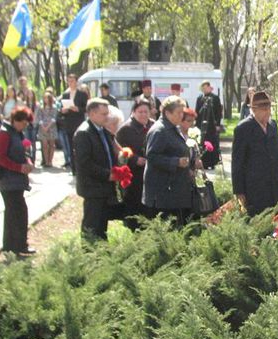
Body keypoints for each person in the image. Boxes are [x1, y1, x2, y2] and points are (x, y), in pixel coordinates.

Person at [232, 91, 278, 216]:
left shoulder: (273, 125)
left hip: (276, 186)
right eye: (264, 109)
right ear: (254, 110)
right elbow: (237, 163)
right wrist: (239, 192)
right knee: (261, 224)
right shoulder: (243, 129)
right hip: (256, 188)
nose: (268, 112)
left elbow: (277, 151)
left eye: (269, 108)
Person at [73, 98, 123, 240]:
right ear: (92, 114)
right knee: (92, 224)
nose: (107, 117)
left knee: (102, 224)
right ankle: (90, 253)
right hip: (93, 186)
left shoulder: (101, 130)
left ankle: (101, 252)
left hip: (104, 186)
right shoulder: (84, 132)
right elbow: (85, 163)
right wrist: (108, 175)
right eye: (103, 114)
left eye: (107, 113)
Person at [142, 96, 194, 226]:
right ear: (167, 113)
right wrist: (176, 162)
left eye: (183, 112)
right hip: (163, 193)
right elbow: (152, 156)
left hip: (173, 190)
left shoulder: (171, 128)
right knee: (166, 229)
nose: (181, 116)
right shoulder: (160, 130)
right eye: (178, 113)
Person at [0, 106, 35, 255]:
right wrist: (18, 167)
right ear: (16, 120)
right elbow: (0, 157)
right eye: (24, 123)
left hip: (16, 180)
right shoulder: (4, 134)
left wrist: (28, 162)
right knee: (18, 212)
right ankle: (18, 245)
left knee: (13, 212)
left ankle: (11, 245)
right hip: (7, 180)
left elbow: (24, 151)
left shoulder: (17, 133)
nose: (25, 126)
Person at [116, 97, 154, 230]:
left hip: (150, 173)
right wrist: (134, 159)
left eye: (146, 111)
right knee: (134, 204)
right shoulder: (125, 129)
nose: (143, 114)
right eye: (140, 112)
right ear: (134, 112)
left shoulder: (153, 126)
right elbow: (119, 151)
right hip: (134, 175)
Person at [59, 73, 89, 174]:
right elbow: (61, 109)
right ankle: (73, 169)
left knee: (79, 146)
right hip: (69, 123)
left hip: (78, 123)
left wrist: (78, 109)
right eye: (69, 81)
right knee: (71, 147)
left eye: (72, 81)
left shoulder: (82, 94)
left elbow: (86, 108)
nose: (70, 83)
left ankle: (81, 168)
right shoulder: (65, 94)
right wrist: (63, 111)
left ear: (76, 82)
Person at [195, 80, 223, 168]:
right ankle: (203, 162)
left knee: (212, 143)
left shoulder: (215, 98)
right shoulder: (200, 98)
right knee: (202, 143)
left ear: (209, 87)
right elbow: (197, 111)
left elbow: (218, 112)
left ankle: (212, 162)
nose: (204, 89)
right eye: (202, 88)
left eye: (205, 87)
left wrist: (218, 124)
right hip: (201, 125)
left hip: (211, 126)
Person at [17, 76, 38, 163]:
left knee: (33, 142)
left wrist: (32, 121)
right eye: (28, 94)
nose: (29, 95)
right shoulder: (24, 103)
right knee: (27, 142)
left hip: (33, 124)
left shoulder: (36, 104)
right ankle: (28, 158)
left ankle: (34, 159)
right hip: (26, 124)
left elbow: (36, 114)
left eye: (31, 93)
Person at [35, 91, 58, 167]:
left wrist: (48, 126)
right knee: (44, 145)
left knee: (52, 145)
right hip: (42, 128)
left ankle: (50, 161)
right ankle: (46, 161)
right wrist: (43, 126)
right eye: (44, 98)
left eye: (47, 98)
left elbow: (54, 118)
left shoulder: (54, 107)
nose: (45, 99)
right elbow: (39, 117)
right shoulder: (41, 107)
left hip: (52, 128)